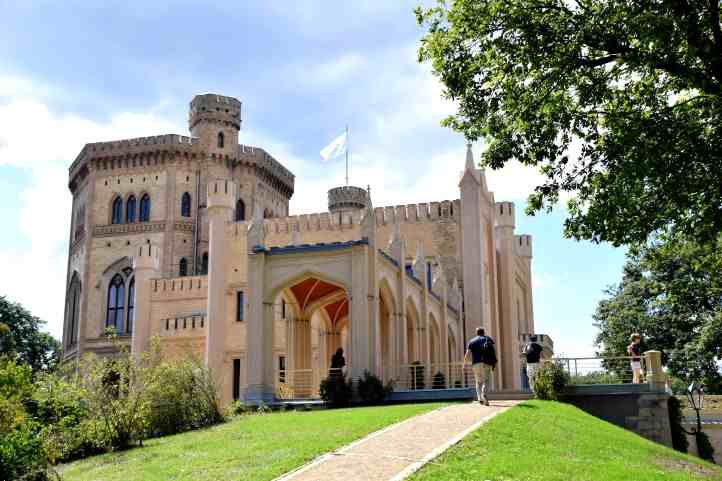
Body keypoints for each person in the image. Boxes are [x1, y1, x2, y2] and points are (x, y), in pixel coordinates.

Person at [464, 327, 496, 406]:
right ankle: (484, 394)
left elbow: (467, 354)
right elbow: (493, 352)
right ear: (483, 332)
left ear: (476, 333)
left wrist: (464, 364)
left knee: (478, 381)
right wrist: (493, 363)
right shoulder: (488, 339)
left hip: (476, 363)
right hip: (487, 363)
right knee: (486, 380)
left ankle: (480, 398)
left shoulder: (472, 341)